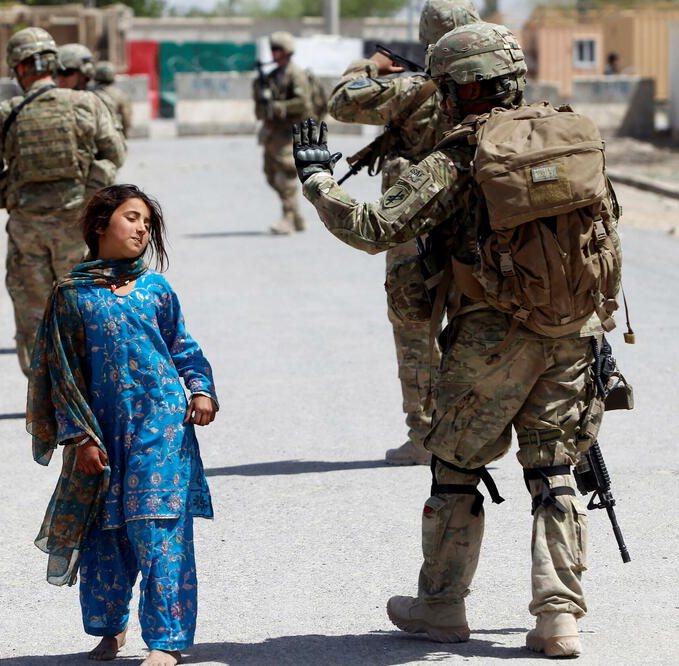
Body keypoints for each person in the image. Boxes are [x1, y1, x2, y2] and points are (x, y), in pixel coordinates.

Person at [294, 22, 623, 658]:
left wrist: (317, 183)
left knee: (454, 470)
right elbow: (604, 238)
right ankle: (559, 620)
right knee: (555, 472)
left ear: (461, 91)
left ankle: (441, 606)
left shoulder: (458, 156)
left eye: (445, 88)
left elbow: (375, 227)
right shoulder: (577, 138)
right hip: (574, 333)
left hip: (490, 338)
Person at [27, 184, 219, 666]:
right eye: (132, 218)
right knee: (106, 540)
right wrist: (79, 436)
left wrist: (201, 389)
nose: (141, 229)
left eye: (148, 224)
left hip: (163, 431)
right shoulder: (72, 295)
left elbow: (183, 348)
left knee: (161, 532)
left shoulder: (157, 289)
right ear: (99, 226)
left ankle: (167, 642)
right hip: (103, 437)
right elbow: (61, 374)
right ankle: (111, 630)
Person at [327, 0, 480, 466]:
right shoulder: (494, 86)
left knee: (416, 328)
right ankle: (478, 431)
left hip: (414, 220)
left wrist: (369, 65)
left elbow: (340, 100)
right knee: (477, 325)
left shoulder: (410, 86)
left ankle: (424, 436)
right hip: (476, 222)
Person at [0, 28, 125, 376]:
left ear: (19, 68)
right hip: (78, 228)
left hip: (28, 232)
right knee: (89, 311)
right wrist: (88, 192)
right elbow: (114, 154)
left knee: (35, 316)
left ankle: (47, 397)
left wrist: (13, 197)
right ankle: (95, 391)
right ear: (52, 63)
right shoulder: (86, 103)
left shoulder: (6, 114)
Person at [254, 31, 312, 235]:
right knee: (270, 174)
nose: (273, 53)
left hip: (289, 132)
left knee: (285, 175)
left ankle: (288, 219)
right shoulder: (273, 75)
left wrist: (278, 106)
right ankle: (296, 216)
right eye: (272, 49)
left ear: (287, 51)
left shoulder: (296, 75)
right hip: (273, 132)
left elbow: (303, 103)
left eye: (277, 49)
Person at [58, 44, 127, 137]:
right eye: (56, 73)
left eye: (67, 72)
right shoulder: (51, 101)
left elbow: (113, 145)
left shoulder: (98, 102)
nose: (60, 78)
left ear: (84, 72)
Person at [92, 61, 133, 138]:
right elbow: (126, 117)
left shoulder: (89, 93)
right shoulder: (120, 94)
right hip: (113, 135)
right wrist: (124, 134)